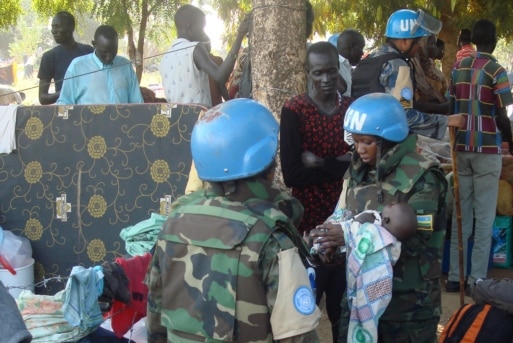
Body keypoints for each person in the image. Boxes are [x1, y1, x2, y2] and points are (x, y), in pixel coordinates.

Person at [146, 98, 320, 343]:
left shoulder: (173, 223)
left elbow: (156, 318)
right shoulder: (271, 239)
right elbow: (297, 337)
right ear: (268, 166)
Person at [310, 93, 448, 343]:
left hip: (407, 309)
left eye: (367, 142)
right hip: (357, 301)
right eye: (356, 141)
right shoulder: (358, 172)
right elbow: (343, 215)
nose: (359, 149)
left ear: (388, 139)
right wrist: (332, 248)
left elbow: (414, 240)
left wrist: (350, 235)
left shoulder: (423, 176)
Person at [280, 41, 352, 343]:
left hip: (347, 223)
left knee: (343, 308)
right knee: (305, 306)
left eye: (331, 72)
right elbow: (292, 173)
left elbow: (357, 166)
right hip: (308, 226)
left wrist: (318, 162)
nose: (325, 79)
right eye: (318, 72)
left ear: (339, 71)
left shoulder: (350, 109)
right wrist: (338, 164)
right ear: (308, 73)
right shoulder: (295, 111)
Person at [446, 19, 513, 294]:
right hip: (487, 149)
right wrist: (511, 142)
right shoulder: (497, 71)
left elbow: (450, 106)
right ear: (496, 40)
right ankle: (476, 279)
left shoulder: (458, 68)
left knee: (461, 216)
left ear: (473, 39)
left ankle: (455, 276)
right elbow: (503, 114)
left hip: (461, 148)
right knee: (484, 216)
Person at [351, 9, 464, 141]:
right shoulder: (398, 66)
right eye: (418, 43)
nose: (420, 48)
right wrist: (447, 120)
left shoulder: (372, 57)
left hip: (362, 139)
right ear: (405, 41)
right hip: (385, 141)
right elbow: (406, 116)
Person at [313, 202, 418, 343]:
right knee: (366, 319)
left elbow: (351, 231)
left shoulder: (370, 224)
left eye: (391, 205)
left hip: (362, 288)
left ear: (386, 220)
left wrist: (341, 236)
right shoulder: (387, 241)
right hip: (366, 289)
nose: (391, 202)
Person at [160, 4, 248, 107]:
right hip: (200, 119)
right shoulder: (194, 48)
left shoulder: (165, 58)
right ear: (189, 27)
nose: (203, 33)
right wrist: (239, 37)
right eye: (201, 27)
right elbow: (219, 76)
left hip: (178, 119)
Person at [56, 25, 143, 105]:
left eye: (113, 52)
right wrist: (63, 121)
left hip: (123, 122)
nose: (109, 57)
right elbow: (64, 103)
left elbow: (138, 103)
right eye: (104, 53)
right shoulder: (77, 67)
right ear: (94, 44)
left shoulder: (125, 66)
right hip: (88, 122)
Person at [38, 11, 94, 105]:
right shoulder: (49, 57)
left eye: (58, 27)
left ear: (71, 28)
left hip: (88, 109)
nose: (53, 31)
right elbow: (43, 98)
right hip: (64, 110)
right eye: (53, 27)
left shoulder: (88, 52)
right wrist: (66, 92)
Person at [336, 29, 365, 96]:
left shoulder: (346, 65)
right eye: (361, 48)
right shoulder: (334, 65)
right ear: (352, 48)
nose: (362, 53)